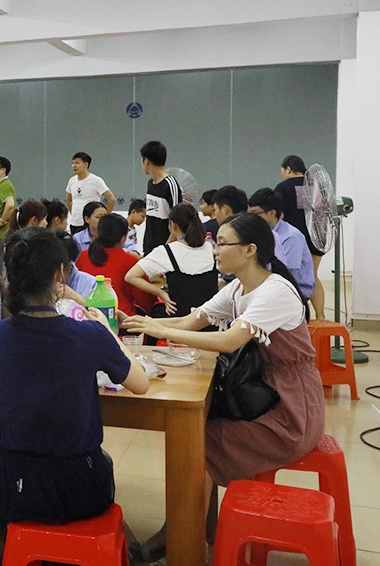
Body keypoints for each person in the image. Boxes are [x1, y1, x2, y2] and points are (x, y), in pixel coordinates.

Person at [123, 213, 324, 552]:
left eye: (222, 244)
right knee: (198, 435)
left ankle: (180, 538)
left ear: (250, 250)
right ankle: (199, 531)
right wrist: (142, 323)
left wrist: (160, 330)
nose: (215, 250)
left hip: (292, 409)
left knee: (200, 442)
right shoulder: (238, 287)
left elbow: (229, 341)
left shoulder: (275, 291)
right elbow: (192, 320)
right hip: (264, 395)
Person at [0, 227, 148, 566]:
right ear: (59, 274)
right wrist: (109, 332)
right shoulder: (89, 333)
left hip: (15, 489)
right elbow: (140, 384)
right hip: (80, 488)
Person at [125, 203, 218, 318]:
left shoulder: (166, 251)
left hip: (178, 320)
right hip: (210, 319)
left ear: (173, 225)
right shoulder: (209, 247)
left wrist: (161, 293)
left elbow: (130, 276)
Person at [275, 155, 325, 319]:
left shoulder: (283, 188)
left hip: (293, 242)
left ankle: (296, 317)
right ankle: (320, 317)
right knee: (313, 276)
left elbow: (279, 216)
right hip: (317, 239)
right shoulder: (314, 186)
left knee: (290, 278)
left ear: (288, 169)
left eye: (283, 171)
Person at [77, 213, 153, 318]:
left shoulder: (83, 256)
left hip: (87, 316)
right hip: (121, 319)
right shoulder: (129, 261)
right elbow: (146, 300)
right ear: (123, 238)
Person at [248, 188, 315, 301]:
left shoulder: (291, 236)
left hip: (294, 290)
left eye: (256, 213)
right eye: (250, 213)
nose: (252, 218)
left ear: (272, 213)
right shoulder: (261, 232)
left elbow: (285, 271)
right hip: (270, 284)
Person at [140, 140, 182, 255]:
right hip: (149, 249)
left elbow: (179, 221)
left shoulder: (170, 184)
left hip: (166, 250)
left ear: (146, 161)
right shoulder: (150, 184)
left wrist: (165, 249)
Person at [66, 151, 116, 234]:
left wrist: (104, 217)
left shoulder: (96, 180)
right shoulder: (72, 180)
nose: (74, 166)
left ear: (86, 164)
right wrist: (74, 214)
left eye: (77, 163)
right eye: (73, 163)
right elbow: (69, 199)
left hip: (90, 224)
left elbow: (111, 199)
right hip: (75, 223)